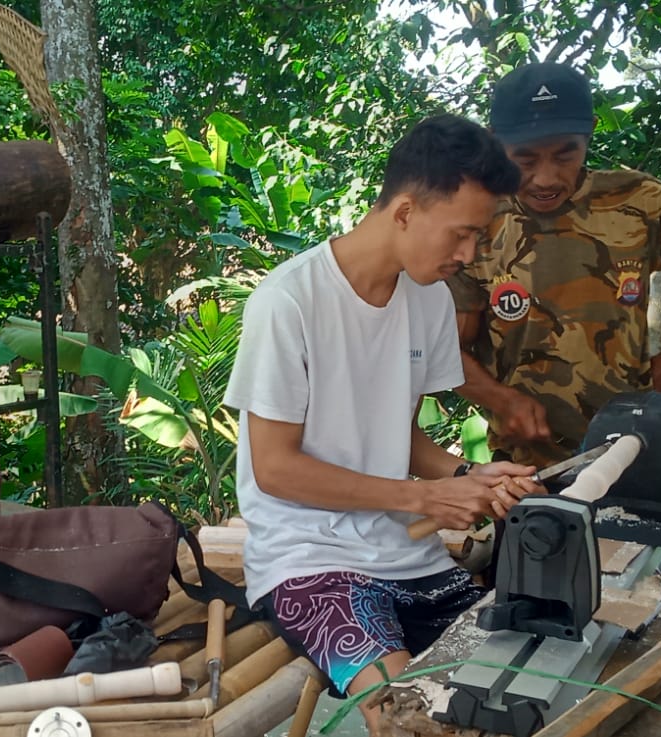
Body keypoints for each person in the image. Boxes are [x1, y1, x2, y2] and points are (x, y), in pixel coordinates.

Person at [222, 113, 545, 730]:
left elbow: (397, 434)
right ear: (403, 211)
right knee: (410, 716)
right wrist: (425, 496)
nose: (468, 254)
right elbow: (276, 469)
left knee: (514, 683)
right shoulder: (288, 301)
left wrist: (470, 472)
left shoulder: (428, 297)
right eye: (461, 235)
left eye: (478, 237)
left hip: (409, 555)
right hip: (309, 562)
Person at [450, 63, 661, 468]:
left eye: (565, 154)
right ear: (497, 145)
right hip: (522, 464)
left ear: (588, 137)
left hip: (631, 448)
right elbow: (445, 347)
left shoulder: (640, 202)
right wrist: (502, 400)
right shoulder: (475, 220)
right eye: (525, 159)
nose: (546, 178)